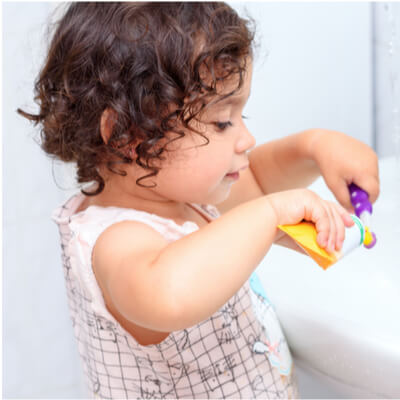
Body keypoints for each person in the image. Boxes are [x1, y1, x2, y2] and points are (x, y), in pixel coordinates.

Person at [18, 2, 380, 399]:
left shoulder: (181, 199)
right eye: (223, 121)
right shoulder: (111, 240)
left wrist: (315, 147)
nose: (246, 139)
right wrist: (272, 213)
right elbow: (169, 295)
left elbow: (256, 179)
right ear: (125, 134)